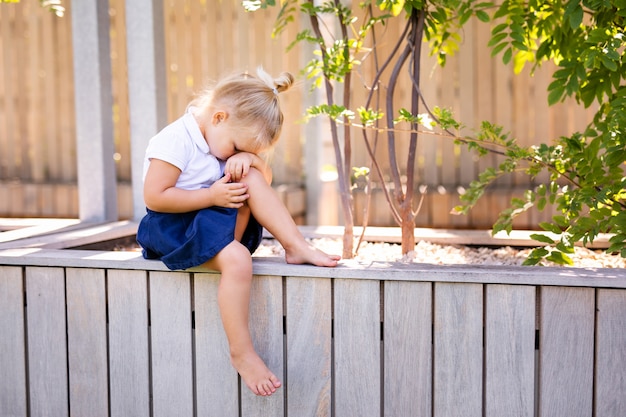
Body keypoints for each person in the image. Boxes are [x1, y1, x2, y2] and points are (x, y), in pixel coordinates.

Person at [136, 67, 341, 397]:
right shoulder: (174, 140)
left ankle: (295, 245)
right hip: (172, 226)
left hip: (209, 219)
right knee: (238, 260)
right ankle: (242, 352)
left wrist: (251, 160)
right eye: (235, 146)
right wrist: (211, 196)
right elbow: (155, 197)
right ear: (218, 117)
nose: (232, 155)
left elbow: (264, 184)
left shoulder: (220, 137)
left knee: (251, 178)